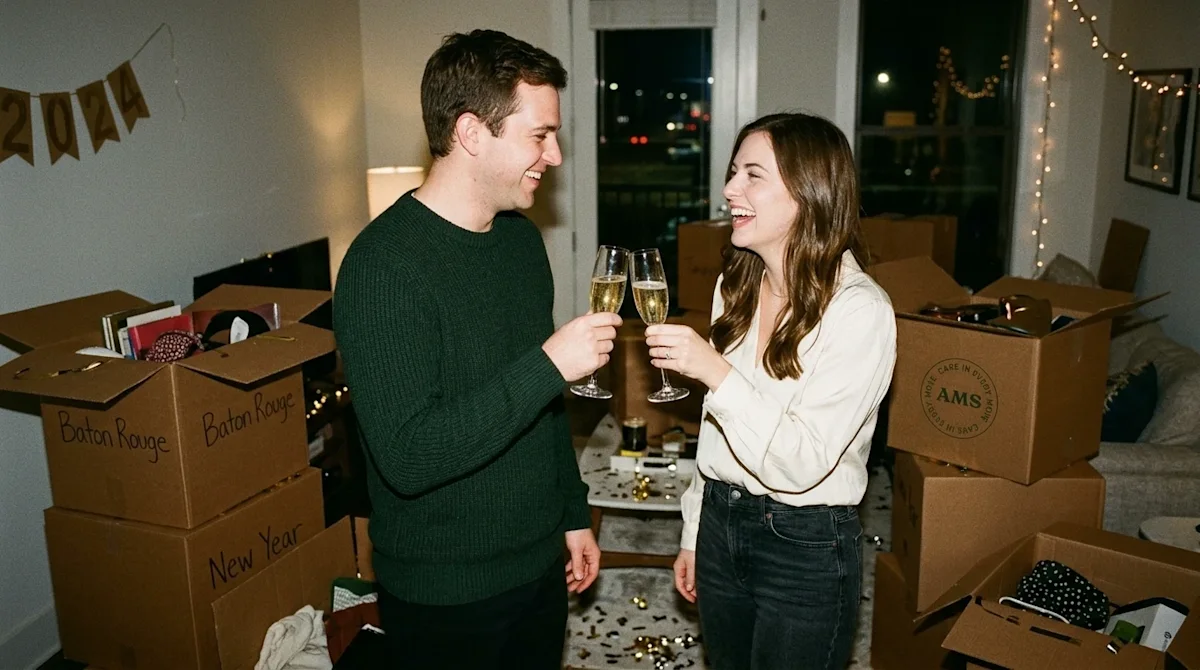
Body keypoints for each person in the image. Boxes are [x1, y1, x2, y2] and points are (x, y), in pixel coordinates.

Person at [333, 29, 620, 669]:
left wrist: (572, 514)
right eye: (539, 135)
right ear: (470, 132)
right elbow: (407, 457)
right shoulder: (381, 269)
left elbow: (540, 410)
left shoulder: (520, 243)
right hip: (445, 595)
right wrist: (549, 364)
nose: (555, 157)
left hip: (540, 564)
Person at [645, 112, 897, 669]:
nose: (730, 189)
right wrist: (693, 531)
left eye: (752, 175)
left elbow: (802, 462)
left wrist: (715, 371)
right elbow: (716, 432)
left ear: (808, 194)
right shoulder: (733, 285)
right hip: (719, 519)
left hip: (804, 544)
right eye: (734, 172)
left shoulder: (860, 311)